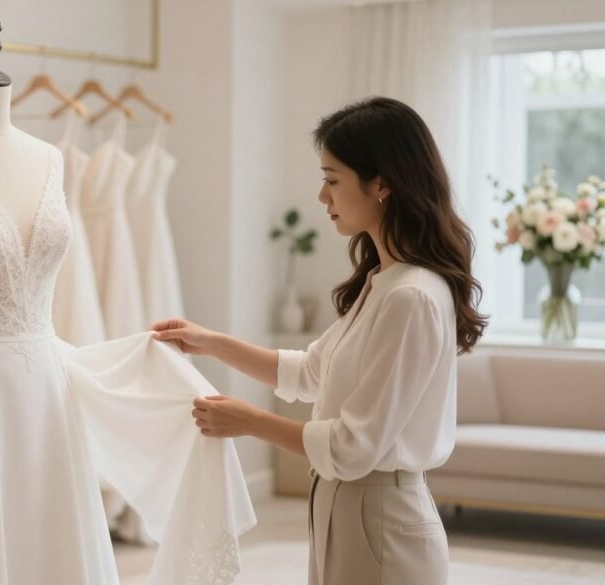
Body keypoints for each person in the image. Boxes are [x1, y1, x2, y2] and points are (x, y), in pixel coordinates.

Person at [152, 96, 488, 585]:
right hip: (350, 508)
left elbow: (354, 444)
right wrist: (211, 342)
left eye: (332, 180)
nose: (321, 197)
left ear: (382, 184)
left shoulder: (410, 297)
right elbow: (310, 372)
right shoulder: (383, 284)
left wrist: (248, 421)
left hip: (380, 519)